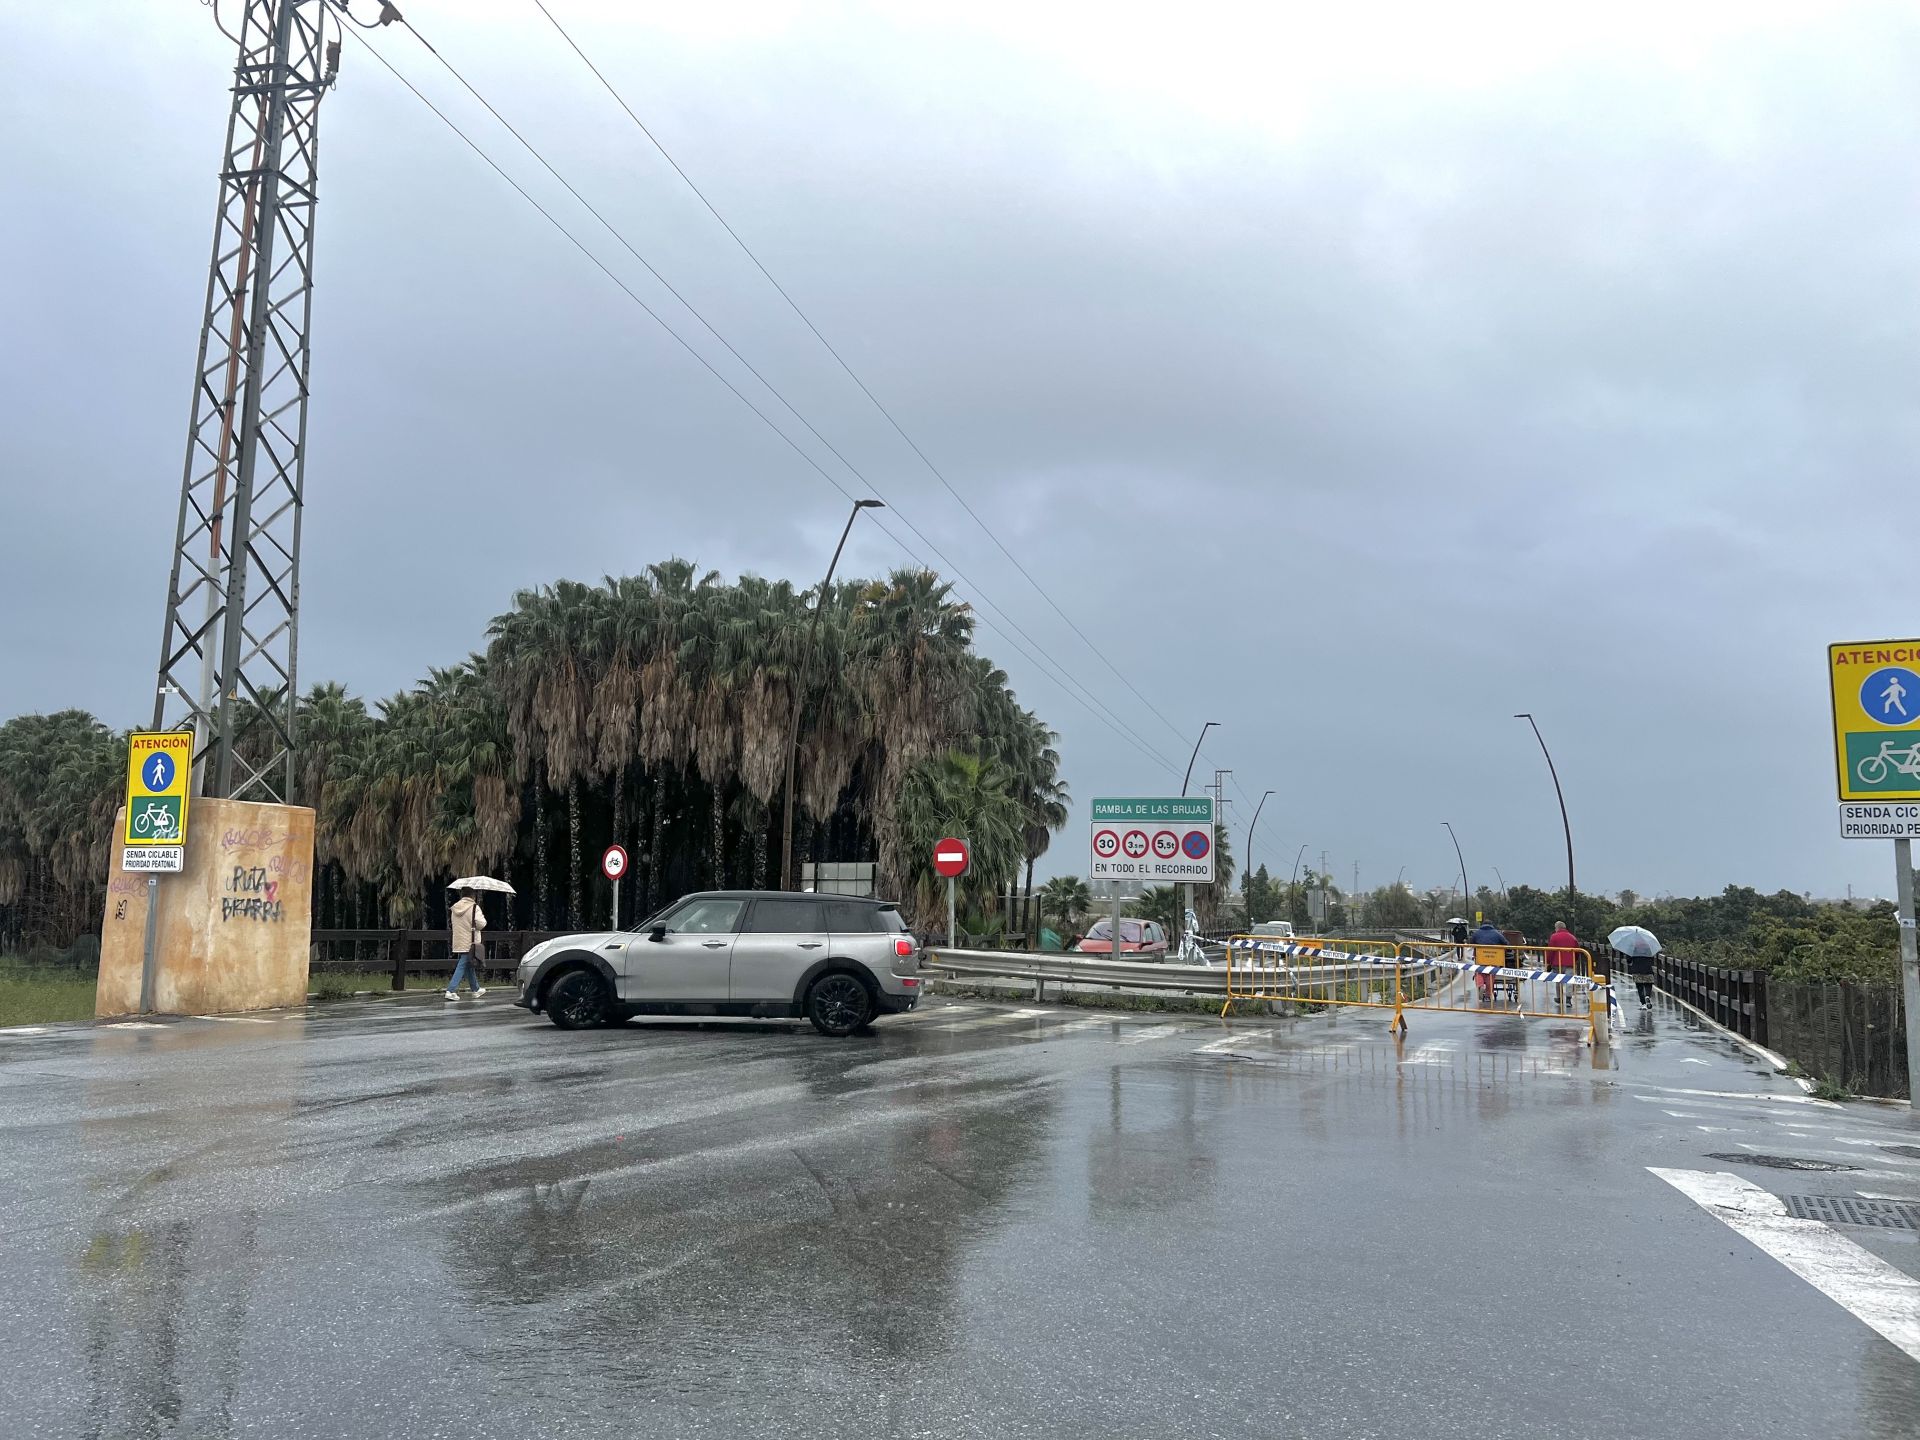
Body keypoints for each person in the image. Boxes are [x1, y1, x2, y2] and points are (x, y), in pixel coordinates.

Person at [447, 886, 487, 1001]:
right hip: (471, 941)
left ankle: (476, 989)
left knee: (469, 965)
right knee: (463, 965)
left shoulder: (455, 908)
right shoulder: (474, 907)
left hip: (459, 940)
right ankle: (451, 990)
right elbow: (481, 924)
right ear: (473, 896)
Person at [1547, 920, 1579, 1011]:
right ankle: (1568, 1000)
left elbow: (1550, 951)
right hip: (1570, 963)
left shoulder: (1554, 937)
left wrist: (1549, 962)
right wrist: (1574, 960)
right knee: (1569, 980)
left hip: (1557, 963)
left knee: (1558, 980)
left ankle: (1559, 997)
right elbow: (1577, 951)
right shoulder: (1572, 937)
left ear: (1557, 928)